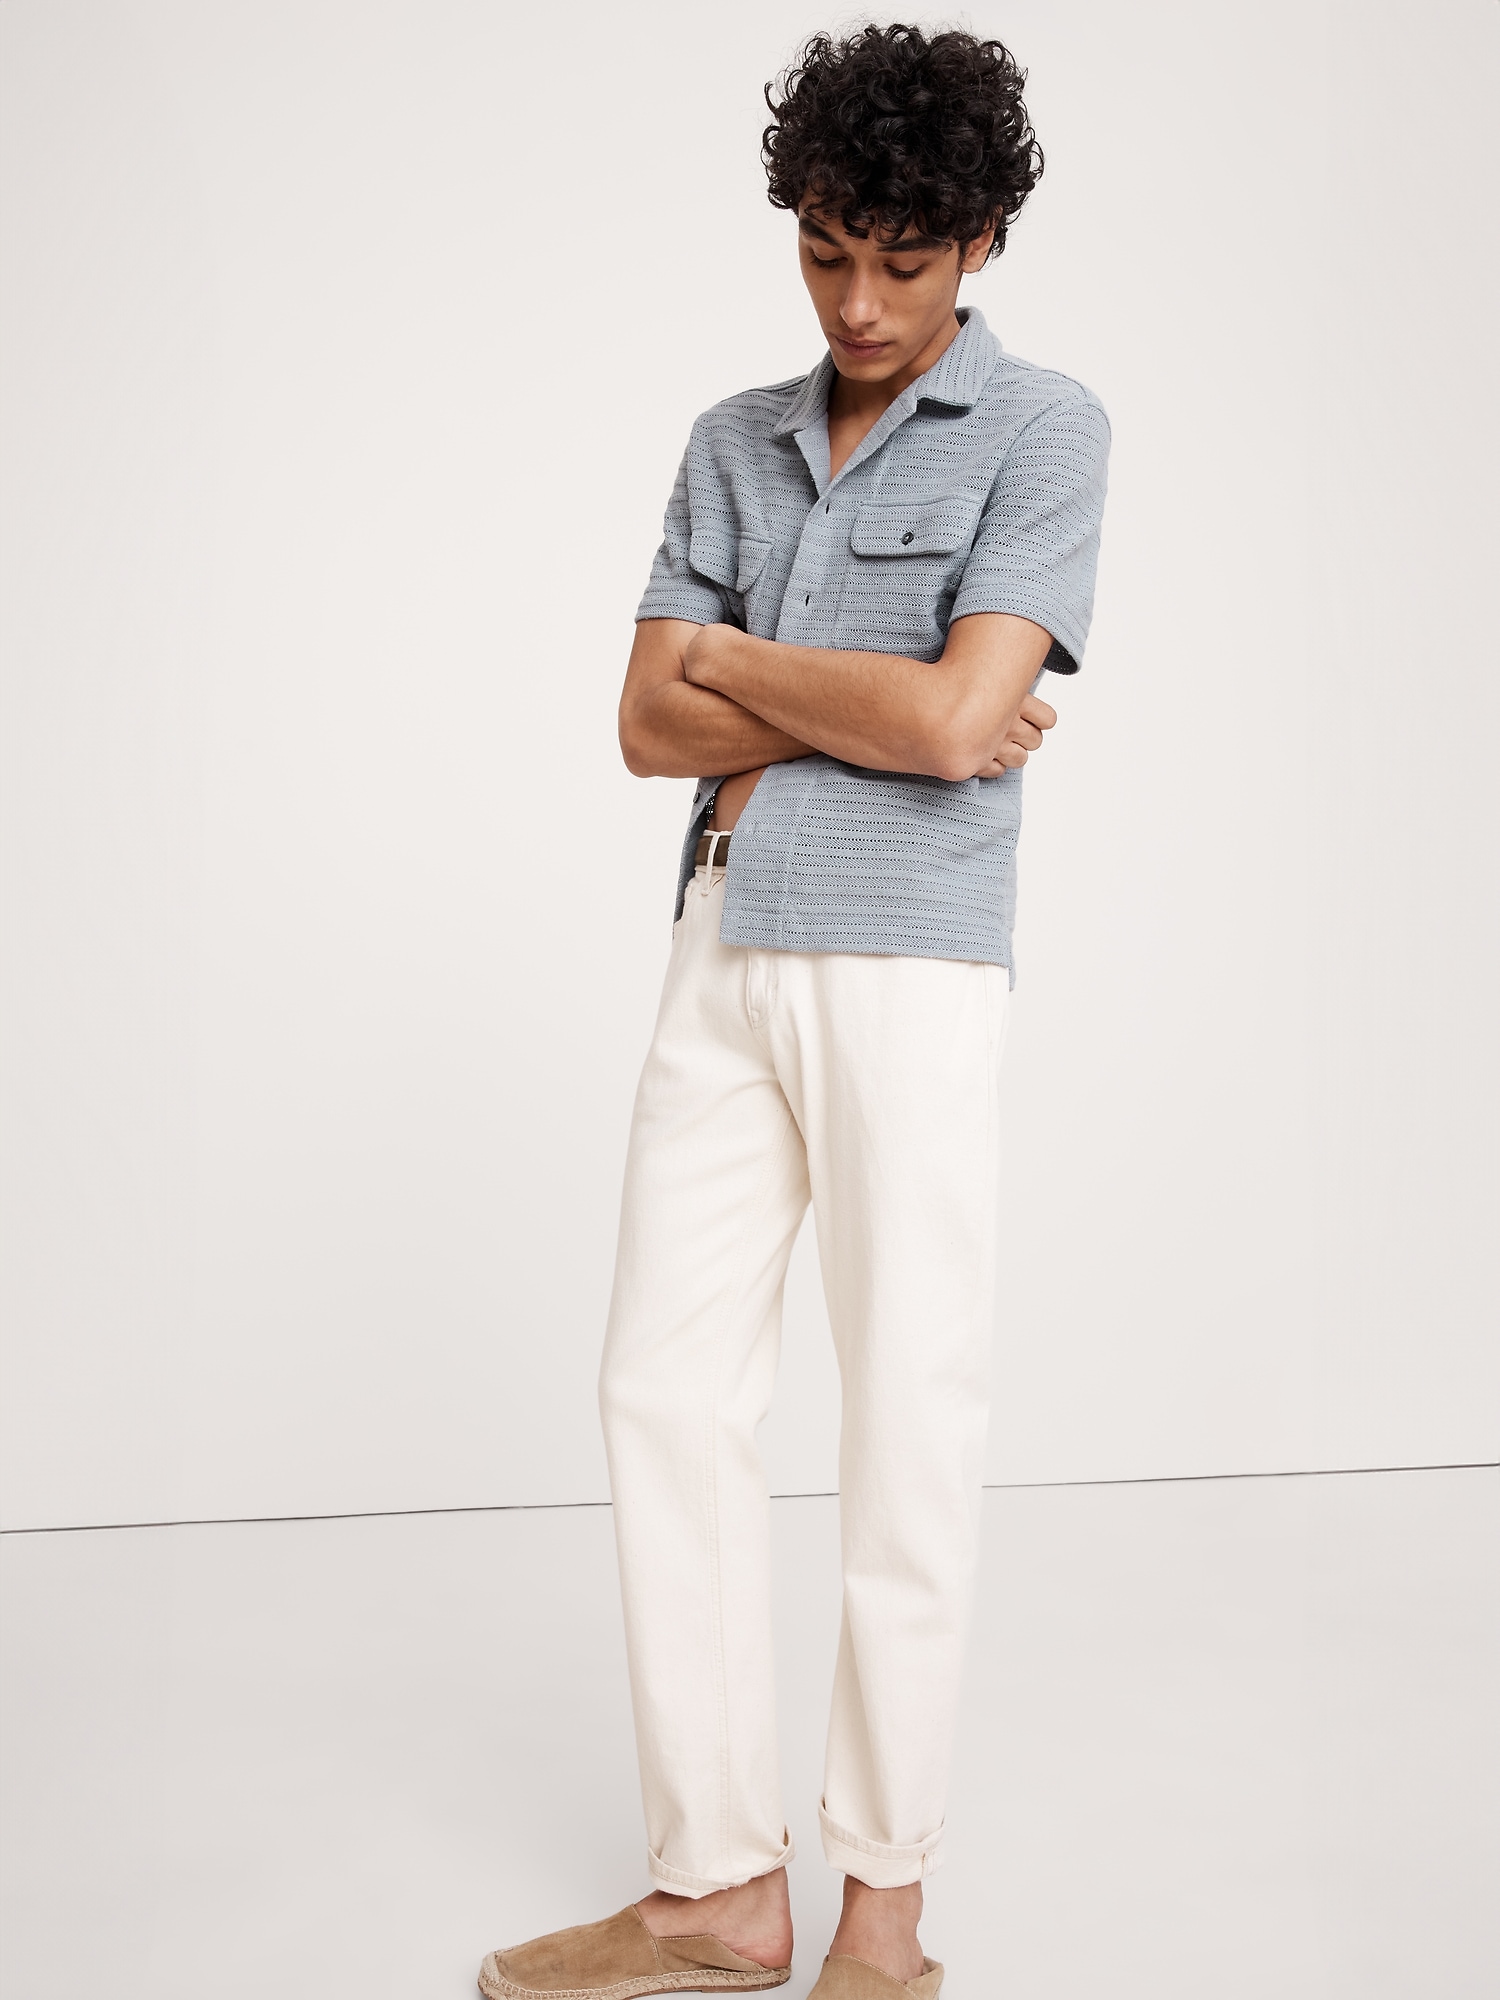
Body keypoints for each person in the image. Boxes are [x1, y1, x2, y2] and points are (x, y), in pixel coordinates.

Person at [480, 23, 1110, 2000]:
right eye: (827, 253)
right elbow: (644, 723)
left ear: (980, 242)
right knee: (662, 1393)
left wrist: (748, 669)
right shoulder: (731, 439)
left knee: (907, 1411)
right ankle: (717, 1889)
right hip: (720, 937)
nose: (857, 303)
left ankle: (885, 1917)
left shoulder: (1046, 429)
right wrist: (887, 701)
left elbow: (949, 715)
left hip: (909, 961)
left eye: (902, 262)